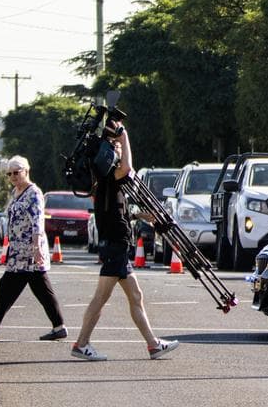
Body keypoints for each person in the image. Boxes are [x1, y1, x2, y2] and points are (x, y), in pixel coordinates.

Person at [70, 119, 179, 361]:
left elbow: (113, 210)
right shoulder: (109, 174)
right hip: (115, 246)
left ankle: (153, 345)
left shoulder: (107, 179)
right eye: (115, 147)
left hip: (117, 245)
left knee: (135, 295)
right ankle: (81, 343)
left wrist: (137, 214)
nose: (119, 149)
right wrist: (124, 136)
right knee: (100, 298)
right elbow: (128, 167)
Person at [0, 156, 67, 341]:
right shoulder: (16, 192)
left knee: (11, 286)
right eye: (9, 173)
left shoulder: (34, 193)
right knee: (34, 290)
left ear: (26, 171)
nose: (13, 176)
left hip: (30, 252)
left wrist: (37, 248)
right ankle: (58, 326)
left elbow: (38, 220)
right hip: (18, 252)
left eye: (17, 172)